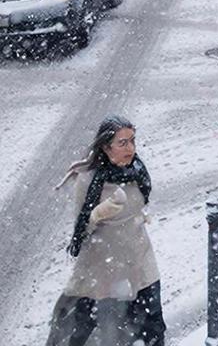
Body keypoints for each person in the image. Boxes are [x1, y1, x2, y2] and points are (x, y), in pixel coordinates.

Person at [46, 116, 165, 346]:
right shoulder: (89, 180)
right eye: (122, 143)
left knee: (152, 328)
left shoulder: (137, 171)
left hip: (140, 261)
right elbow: (81, 231)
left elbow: (140, 204)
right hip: (102, 267)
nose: (130, 148)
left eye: (132, 140)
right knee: (83, 330)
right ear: (105, 146)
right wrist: (99, 214)